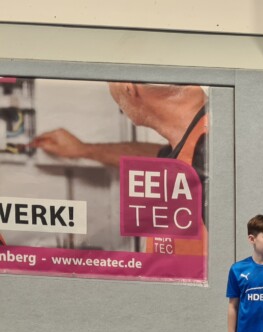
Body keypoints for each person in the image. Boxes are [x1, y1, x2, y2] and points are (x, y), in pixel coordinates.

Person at [33, 83, 208, 256]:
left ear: (129, 88)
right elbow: (161, 158)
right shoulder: (200, 138)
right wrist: (83, 149)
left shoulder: (206, 158)